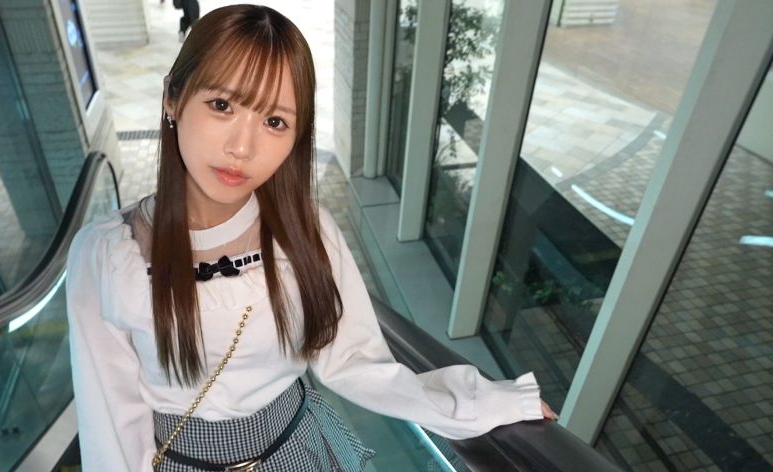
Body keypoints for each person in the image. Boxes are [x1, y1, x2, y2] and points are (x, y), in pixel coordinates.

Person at [66, 5, 556, 471]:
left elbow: (355, 361)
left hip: (297, 449)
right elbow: (111, 423)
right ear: (173, 97)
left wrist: (487, 405)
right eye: (222, 105)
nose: (242, 147)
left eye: (274, 122)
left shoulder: (305, 231)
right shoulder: (108, 256)